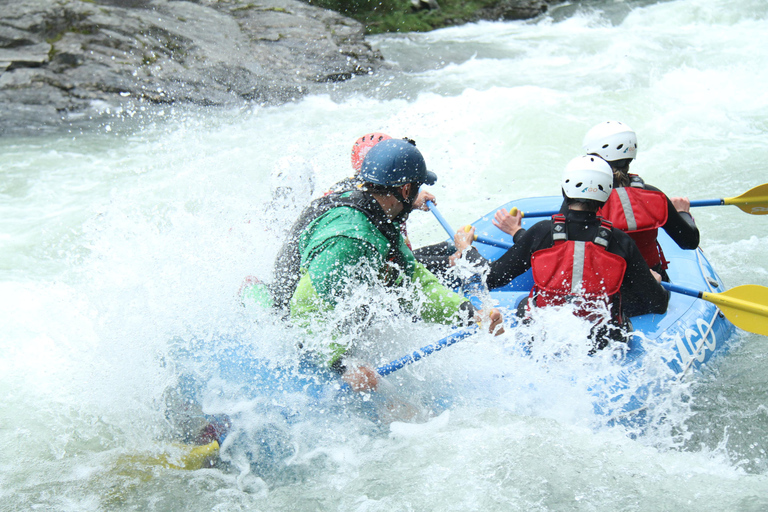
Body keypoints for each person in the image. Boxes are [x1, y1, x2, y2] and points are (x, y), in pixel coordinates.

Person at [274, 138, 504, 391]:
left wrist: (470, 315)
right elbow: (305, 309)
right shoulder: (349, 239)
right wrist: (344, 366)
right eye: (416, 188)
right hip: (290, 321)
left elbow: (413, 282)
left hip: (323, 307)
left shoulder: (380, 216)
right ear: (405, 191)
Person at [454, 155, 669, 350]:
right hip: (601, 342)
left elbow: (490, 278)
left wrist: (467, 249)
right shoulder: (621, 242)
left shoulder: (541, 233)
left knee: (524, 304)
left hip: (545, 335)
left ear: (565, 190)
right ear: (607, 193)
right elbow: (658, 304)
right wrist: (653, 280)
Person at [493, 121, 700, 280]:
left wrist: (517, 232)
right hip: (652, 282)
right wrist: (683, 213)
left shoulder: (584, 201)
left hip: (604, 289)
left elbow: (558, 250)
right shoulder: (655, 197)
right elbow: (689, 242)